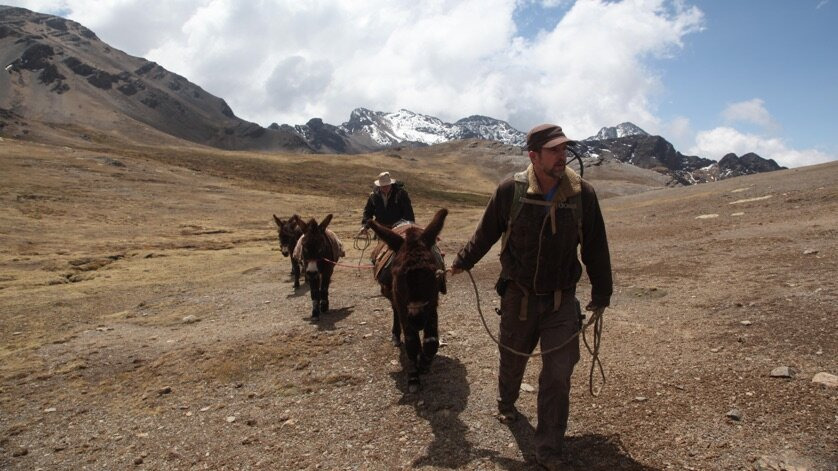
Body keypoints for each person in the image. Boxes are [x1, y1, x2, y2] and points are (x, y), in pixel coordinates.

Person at [450, 123, 612, 469]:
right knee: (513, 360)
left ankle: (549, 450)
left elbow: (596, 247)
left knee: (557, 374)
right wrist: (461, 262)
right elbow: (486, 233)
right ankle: (506, 401)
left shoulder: (583, 194)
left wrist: (602, 293)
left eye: (563, 149)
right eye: (553, 150)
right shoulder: (511, 190)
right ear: (533, 156)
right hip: (518, 298)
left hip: (560, 302)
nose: (561, 156)